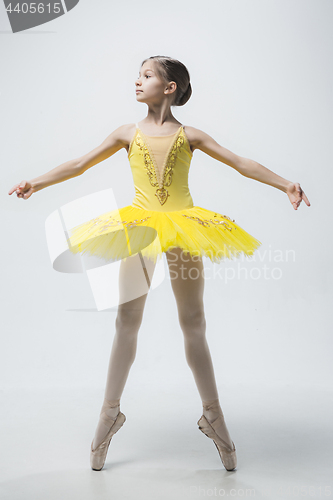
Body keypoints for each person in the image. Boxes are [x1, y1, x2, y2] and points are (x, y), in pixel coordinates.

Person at [8, 55, 310, 472]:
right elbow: (79, 164)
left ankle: (214, 416)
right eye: (139, 75)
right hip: (141, 230)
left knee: (194, 321)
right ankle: (109, 414)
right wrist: (35, 182)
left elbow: (241, 163)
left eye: (146, 75)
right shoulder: (125, 133)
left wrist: (285, 184)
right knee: (127, 321)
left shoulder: (191, 135)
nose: (137, 81)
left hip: (185, 230)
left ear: (169, 88)